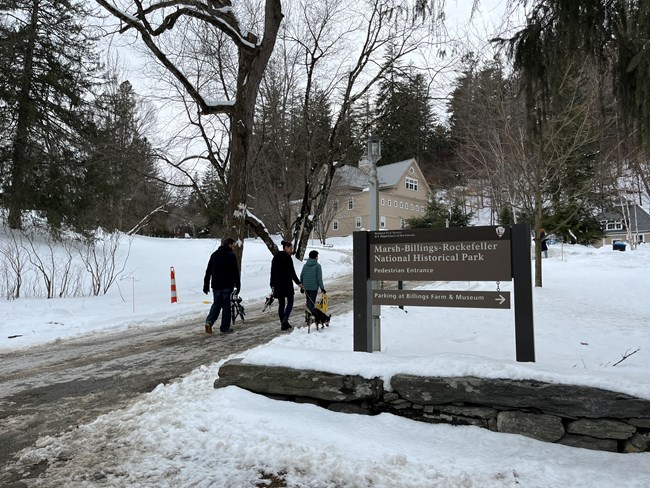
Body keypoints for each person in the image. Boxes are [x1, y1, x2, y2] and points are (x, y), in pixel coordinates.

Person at [203, 238, 241, 335]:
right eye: (233, 245)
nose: (233, 247)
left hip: (216, 285)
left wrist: (206, 284)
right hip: (227, 285)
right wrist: (238, 285)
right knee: (226, 306)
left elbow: (208, 271)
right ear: (229, 245)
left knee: (216, 304)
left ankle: (209, 322)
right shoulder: (230, 255)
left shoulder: (214, 255)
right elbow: (235, 272)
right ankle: (224, 327)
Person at [270, 240, 302, 330]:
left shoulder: (275, 257)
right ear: (286, 247)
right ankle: (285, 319)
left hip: (278, 283)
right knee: (290, 301)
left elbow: (272, 271)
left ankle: (283, 323)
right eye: (291, 248)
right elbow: (292, 272)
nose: (291, 250)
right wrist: (298, 282)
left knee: (281, 303)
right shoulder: (288, 258)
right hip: (287, 283)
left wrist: (272, 283)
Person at [300, 250, 326, 315]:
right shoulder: (317, 266)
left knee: (308, 301)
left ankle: (308, 316)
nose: (318, 257)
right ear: (315, 257)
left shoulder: (305, 265)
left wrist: (302, 286)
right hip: (313, 287)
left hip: (306, 286)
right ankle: (314, 316)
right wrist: (322, 288)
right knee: (311, 303)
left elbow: (302, 276)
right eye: (317, 256)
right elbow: (319, 278)